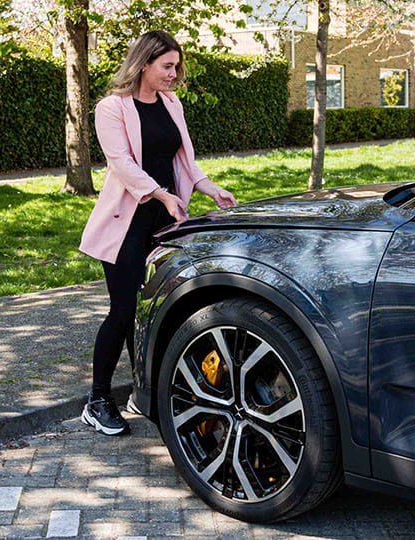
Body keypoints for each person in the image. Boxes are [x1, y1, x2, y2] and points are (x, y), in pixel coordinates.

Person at [78, 30, 238, 436]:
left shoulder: (171, 103)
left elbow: (184, 159)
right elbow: (122, 164)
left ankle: (141, 392)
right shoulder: (111, 108)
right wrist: (162, 195)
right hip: (126, 223)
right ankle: (97, 401)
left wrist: (208, 187)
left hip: (165, 222)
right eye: (167, 66)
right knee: (124, 310)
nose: (174, 74)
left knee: (151, 312)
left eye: (176, 66)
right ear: (144, 63)